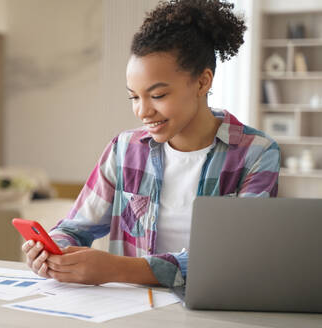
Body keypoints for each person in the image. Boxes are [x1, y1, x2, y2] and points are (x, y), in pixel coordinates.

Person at [22, 0, 280, 287]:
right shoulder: (124, 150)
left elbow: (236, 257)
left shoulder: (257, 153)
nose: (142, 111)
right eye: (134, 97)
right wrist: (51, 251)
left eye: (157, 95)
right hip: (132, 313)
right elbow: (74, 228)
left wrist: (116, 269)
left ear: (202, 82)